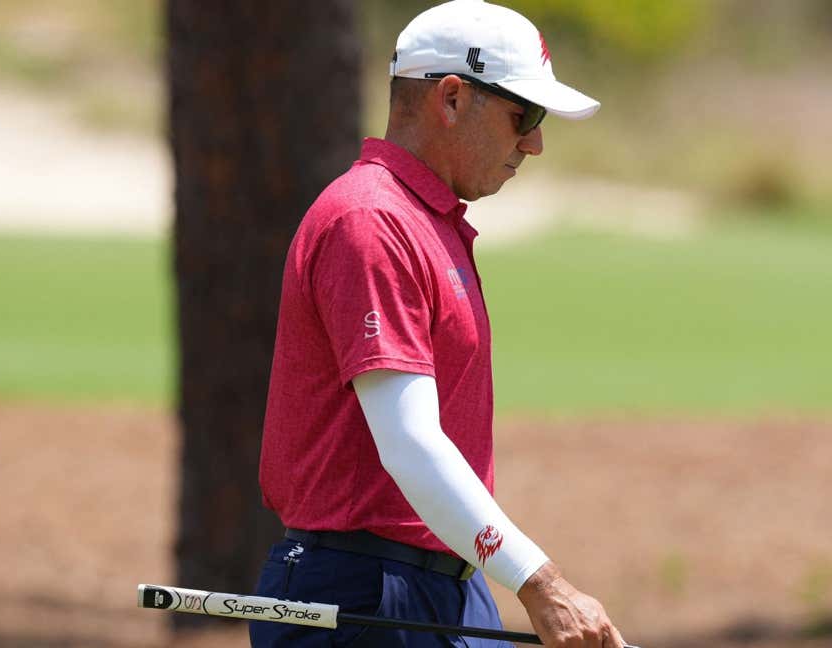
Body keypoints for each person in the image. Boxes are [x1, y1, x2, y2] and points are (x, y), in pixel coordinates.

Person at [253, 1, 625, 646]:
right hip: (361, 591)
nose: (535, 143)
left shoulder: (426, 222)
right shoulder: (370, 221)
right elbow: (410, 444)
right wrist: (543, 584)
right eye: (524, 116)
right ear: (451, 98)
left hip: (446, 584)